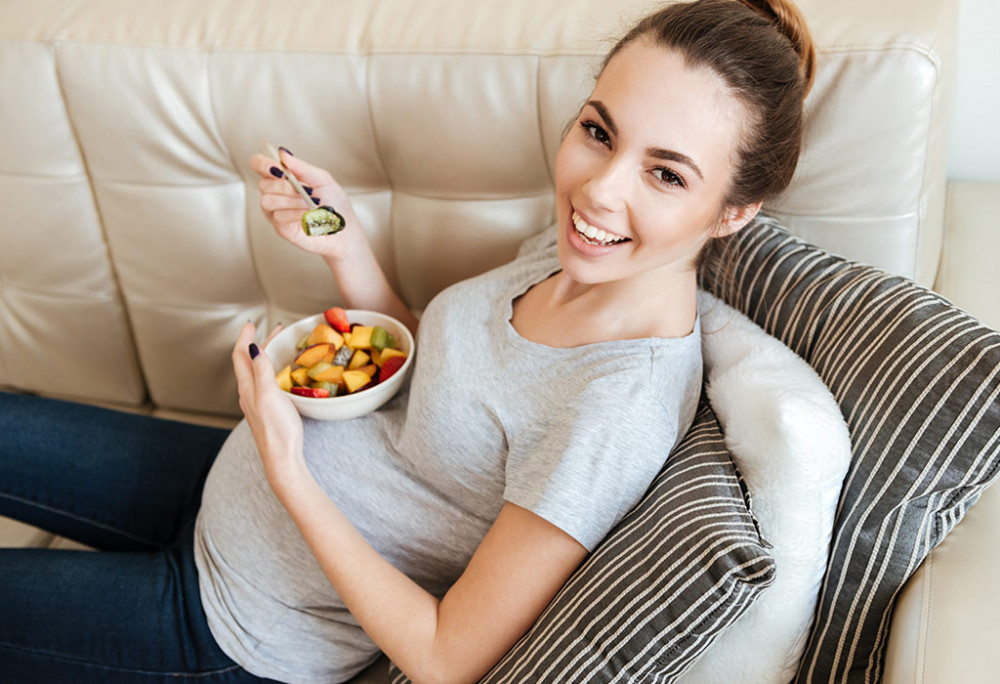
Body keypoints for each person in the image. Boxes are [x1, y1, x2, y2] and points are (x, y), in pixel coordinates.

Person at [0, 0, 815, 682]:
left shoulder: (614, 407)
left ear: (733, 212)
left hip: (235, 624)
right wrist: (345, 246)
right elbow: (457, 377)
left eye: (666, 174)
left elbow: (445, 655)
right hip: (216, 486)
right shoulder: (575, 250)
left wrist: (291, 470)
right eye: (599, 132)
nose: (599, 189)